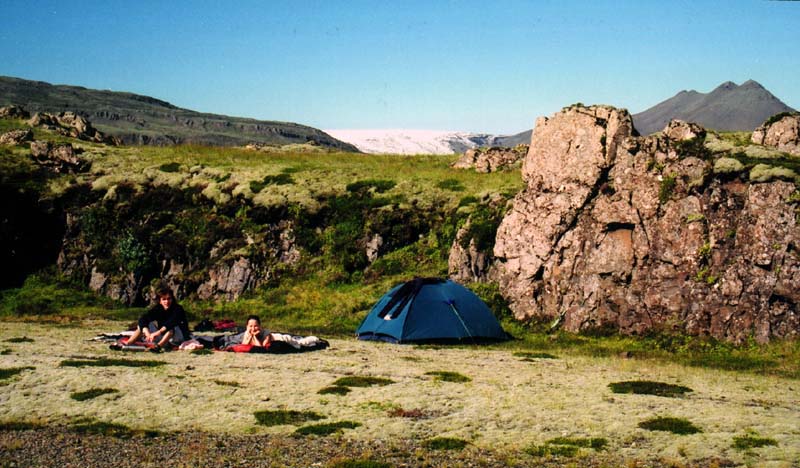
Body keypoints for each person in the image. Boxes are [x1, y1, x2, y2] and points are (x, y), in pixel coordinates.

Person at [126, 282, 190, 352]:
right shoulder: (158, 309)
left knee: (171, 328)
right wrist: (147, 332)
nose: (167, 301)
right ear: (160, 301)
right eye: (164, 299)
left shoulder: (178, 309)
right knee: (142, 326)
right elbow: (144, 318)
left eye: (169, 299)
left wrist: (157, 332)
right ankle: (128, 344)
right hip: (163, 336)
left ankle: (158, 347)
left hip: (177, 336)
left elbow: (172, 322)